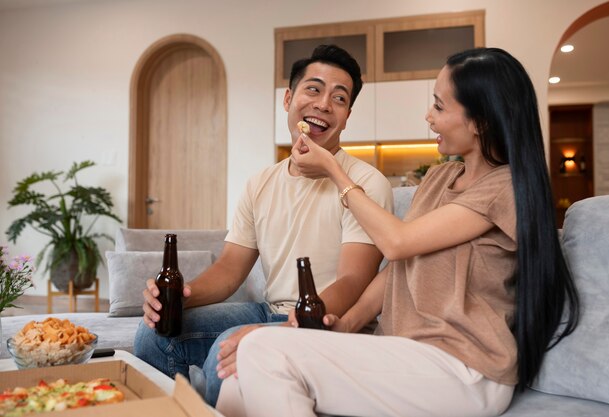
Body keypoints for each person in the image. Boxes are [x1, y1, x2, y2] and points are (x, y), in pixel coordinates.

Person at [215, 47, 580, 417]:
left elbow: (397, 243)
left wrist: (333, 169)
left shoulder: (505, 188)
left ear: (480, 121)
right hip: (408, 353)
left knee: (263, 349)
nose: (428, 116)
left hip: (465, 367)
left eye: (439, 106)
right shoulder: (441, 177)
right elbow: (397, 269)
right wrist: (345, 325)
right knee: (237, 377)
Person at [133, 44, 394, 406]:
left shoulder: (364, 183)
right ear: (288, 99)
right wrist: (180, 297)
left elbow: (353, 281)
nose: (323, 104)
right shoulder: (261, 183)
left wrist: (289, 325)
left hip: (328, 324)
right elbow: (229, 269)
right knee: (153, 335)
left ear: (347, 116)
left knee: (224, 356)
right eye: (313, 89)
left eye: (339, 98)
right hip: (268, 309)